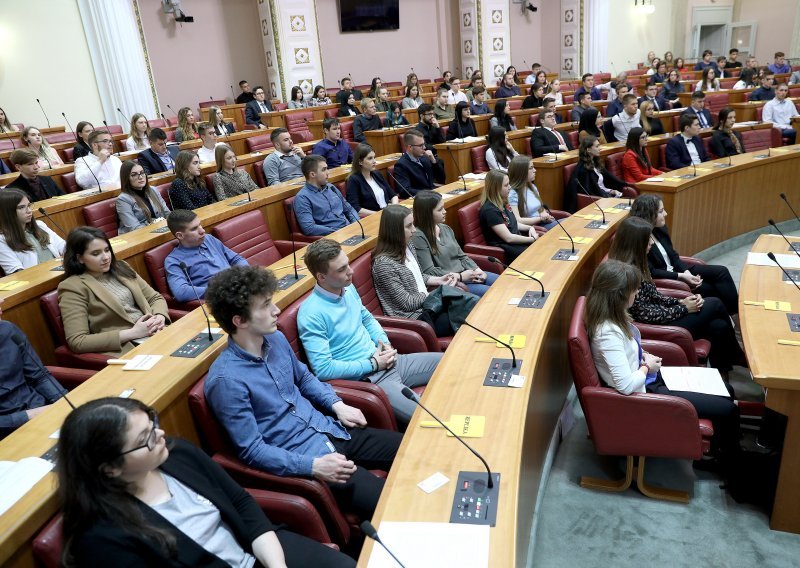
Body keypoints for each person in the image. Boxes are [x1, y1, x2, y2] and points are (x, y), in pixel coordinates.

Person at [57, 397, 355, 568]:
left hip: (259, 549)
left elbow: (240, 503)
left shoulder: (176, 453)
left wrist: (276, 565)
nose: (160, 436)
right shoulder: (101, 538)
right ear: (109, 468)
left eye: (153, 425)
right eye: (145, 439)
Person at [204, 266, 401, 521]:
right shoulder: (225, 381)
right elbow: (252, 449)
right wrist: (314, 467)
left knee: (411, 449)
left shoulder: (275, 340)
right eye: (265, 306)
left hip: (331, 429)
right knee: (394, 505)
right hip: (308, 456)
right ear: (239, 320)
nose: (276, 310)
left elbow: (305, 378)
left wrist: (336, 404)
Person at [585, 259, 741, 471]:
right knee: (729, 410)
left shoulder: (614, 316)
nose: (637, 294)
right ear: (619, 295)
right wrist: (647, 367)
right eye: (634, 290)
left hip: (652, 379)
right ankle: (732, 467)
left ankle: (718, 452)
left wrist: (643, 356)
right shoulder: (607, 333)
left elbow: (627, 352)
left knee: (726, 389)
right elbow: (624, 385)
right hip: (645, 394)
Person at [298, 238, 442, 422]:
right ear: (321, 277)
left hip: (390, 361)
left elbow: (366, 318)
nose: (351, 272)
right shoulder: (311, 313)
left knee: (450, 364)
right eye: (341, 270)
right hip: (371, 379)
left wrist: (385, 343)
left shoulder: (347, 288)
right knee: (428, 418)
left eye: (348, 264)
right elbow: (323, 369)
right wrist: (373, 364)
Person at [608, 216, 745, 375]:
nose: (652, 242)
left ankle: (723, 370)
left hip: (664, 315)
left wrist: (681, 300)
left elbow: (655, 297)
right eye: (648, 239)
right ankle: (736, 355)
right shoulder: (626, 273)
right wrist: (683, 308)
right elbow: (645, 315)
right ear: (636, 243)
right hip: (657, 327)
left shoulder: (640, 262)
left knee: (718, 326)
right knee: (714, 303)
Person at [58, 226, 169, 356]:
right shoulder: (72, 286)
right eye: (96, 253)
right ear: (79, 258)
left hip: (157, 333)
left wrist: (160, 317)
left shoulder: (121, 267)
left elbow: (155, 298)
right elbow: (78, 341)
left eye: (107, 250)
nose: (105, 257)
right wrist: (133, 333)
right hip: (128, 348)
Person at [372, 205, 475, 337]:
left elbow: (418, 277)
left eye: (413, 224)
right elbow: (407, 303)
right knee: (469, 314)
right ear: (394, 231)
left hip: (428, 307)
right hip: (415, 319)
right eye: (409, 226)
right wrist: (437, 293)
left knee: (470, 305)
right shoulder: (384, 265)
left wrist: (439, 280)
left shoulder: (408, 245)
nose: (414, 230)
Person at [630, 194, 739, 315]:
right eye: (661, 211)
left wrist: (687, 272)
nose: (665, 214)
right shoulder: (639, 238)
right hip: (666, 277)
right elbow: (653, 272)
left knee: (721, 271)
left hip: (677, 269)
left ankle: (735, 316)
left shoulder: (660, 228)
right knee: (709, 288)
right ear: (649, 215)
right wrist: (681, 276)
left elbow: (673, 256)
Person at [0, 298, 67, 439]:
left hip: (41, 410)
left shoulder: (7, 330)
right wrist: (30, 415)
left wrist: (64, 400)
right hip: (8, 432)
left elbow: (39, 376)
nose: (2, 300)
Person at [411, 191, 498, 297]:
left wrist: (477, 270)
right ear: (427, 213)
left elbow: (462, 256)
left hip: (467, 274)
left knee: (505, 283)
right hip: (454, 283)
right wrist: (460, 276)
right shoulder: (418, 237)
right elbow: (429, 271)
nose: (445, 211)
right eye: (439, 209)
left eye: (443, 207)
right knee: (495, 294)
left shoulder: (446, 228)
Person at [165, 209, 247, 305]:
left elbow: (237, 259)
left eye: (200, 224)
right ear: (180, 235)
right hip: (220, 300)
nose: (202, 231)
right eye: (194, 229)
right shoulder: (173, 260)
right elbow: (181, 292)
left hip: (238, 287)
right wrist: (220, 289)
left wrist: (245, 276)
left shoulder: (209, 239)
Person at [0, 189, 65, 273]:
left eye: (29, 205)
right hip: (38, 281)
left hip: (60, 273)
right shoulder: (2, 239)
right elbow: (16, 272)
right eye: (22, 207)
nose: (29, 211)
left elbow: (63, 246)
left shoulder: (39, 225)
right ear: (8, 212)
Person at [479, 169, 538, 262]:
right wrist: (531, 239)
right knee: (537, 256)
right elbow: (508, 238)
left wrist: (530, 228)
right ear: (496, 188)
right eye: (506, 185)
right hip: (507, 249)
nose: (510, 187)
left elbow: (513, 223)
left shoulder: (503, 201)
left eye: (509, 183)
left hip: (516, 242)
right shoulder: (489, 210)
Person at [295, 155, 359, 236]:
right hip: (331, 238)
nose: (328, 173)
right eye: (324, 170)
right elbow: (309, 228)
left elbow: (349, 209)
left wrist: (356, 224)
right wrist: (336, 232)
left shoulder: (331, 187)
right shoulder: (302, 197)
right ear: (312, 174)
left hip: (349, 230)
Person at [564, 136, 627, 212]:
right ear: (588, 150)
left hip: (605, 196)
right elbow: (591, 192)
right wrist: (609, 196)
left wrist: (612, 191)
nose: (600, 148)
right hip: (597, 203)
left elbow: (605, 183)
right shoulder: (583, 170)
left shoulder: (596, 163)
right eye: (597, 146)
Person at [116, 161, 169, 234]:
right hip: (137, 237)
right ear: (126, 178)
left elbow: (167, 213)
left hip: (159, 230)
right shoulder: (123, 199)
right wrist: (155, 224)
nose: (140, 177)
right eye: (134, 175)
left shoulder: (153, 190)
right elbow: (134, 228)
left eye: (142, 173)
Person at [507, 155, 558, 231]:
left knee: (572, 223)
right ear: (521, 172)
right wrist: (540, 219)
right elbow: (517, 220)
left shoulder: (532, 186)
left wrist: (544, 214)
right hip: (534, 229)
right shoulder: (512, 194)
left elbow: (540, 208)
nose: (535, 170)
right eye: (531, 168)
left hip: (544, 223)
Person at [345, 143, 397, 215]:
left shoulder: (376, 174)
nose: (374, 161)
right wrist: (378, 214)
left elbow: (393, 195)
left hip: (387, 213)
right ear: (360, 162)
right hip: (372, 217)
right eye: (370, 158)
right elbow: (355, 207)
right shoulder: (353, 180)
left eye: (374, 157)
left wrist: (394, 208)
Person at [393, 129, 436, 194]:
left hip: (433, 195)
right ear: (410, 147)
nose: (424, 147)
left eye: (424, 144)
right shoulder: (401, 165)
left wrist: (433, 161)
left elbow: (441, 178)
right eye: (421, 145)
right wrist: (428, 193)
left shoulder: (424, 158)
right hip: (421, 199)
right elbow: (404, 190)